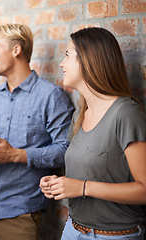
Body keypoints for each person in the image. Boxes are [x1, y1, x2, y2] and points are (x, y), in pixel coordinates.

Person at [39, 27, 146, 239]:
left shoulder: (126, 113)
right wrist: (59, 183)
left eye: (67, 55)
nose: (61, 63)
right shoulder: (80, 113)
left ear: (88, 60)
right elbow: (89, 172)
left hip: (113, 235)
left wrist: (82, 187)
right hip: (72, 230)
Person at [0, 23, 74, 240]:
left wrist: (16, 155)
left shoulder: (51, 96)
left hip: (21, 215)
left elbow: (67, 150)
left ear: (16, 50)